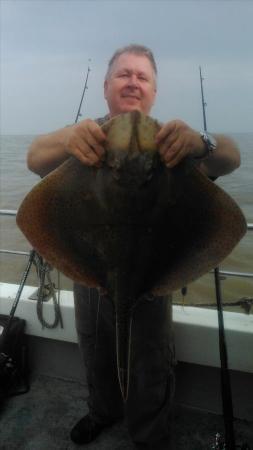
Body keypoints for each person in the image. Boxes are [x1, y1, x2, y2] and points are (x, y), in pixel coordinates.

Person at [27, 44, 240, 449]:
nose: (133, 82)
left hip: (152, 276)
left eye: (142, 76)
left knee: (150, 361)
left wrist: (202, 142)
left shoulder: (173, 144)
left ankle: (149, 434)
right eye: (124, 74)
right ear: (106, 86)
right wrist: (70, 136)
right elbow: (35, 158)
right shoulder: (84, 139)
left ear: (154, 91)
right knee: (94, 348)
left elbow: (232, 157)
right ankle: (102, 411)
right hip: (90, 269)